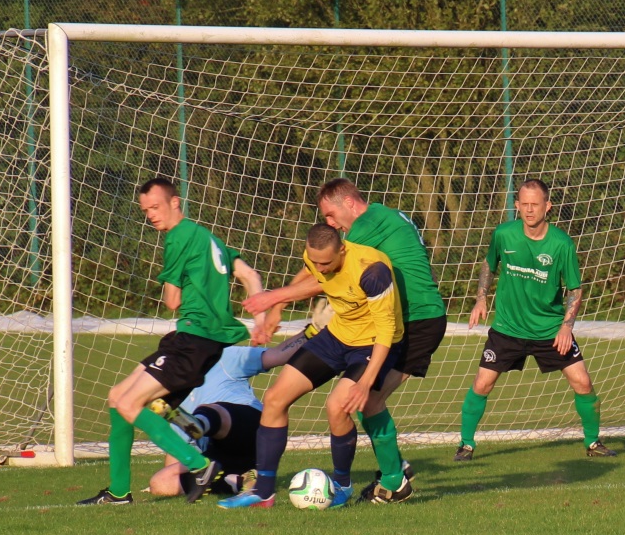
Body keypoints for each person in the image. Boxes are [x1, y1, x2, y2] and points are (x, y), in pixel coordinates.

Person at [244, 179, 444, 500]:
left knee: (366, 399)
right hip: (403, 318)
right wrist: (278, 302)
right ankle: (395, 471)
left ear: (350, 203)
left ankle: (394, 481)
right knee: (362, 401)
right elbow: (320, 268)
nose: (330, 223)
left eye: (331, 214)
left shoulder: (365, 227)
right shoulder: (381, 215)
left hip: (417, 320)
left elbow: (324, 275)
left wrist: (275, 300)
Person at [79, 177, 267, 506]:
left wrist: (172, 281)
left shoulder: (178, 236)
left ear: (175, 202)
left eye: (155, 207)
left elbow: (172, 301)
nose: (151, 215)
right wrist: (261, 323)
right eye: (145, 210)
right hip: (195, 341)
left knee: (130, 404)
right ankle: (119, 491)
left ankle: (200, 465)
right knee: (118, 397)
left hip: (195, 338)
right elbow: (251, 276)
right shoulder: (209, 238)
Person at [219, 223, 412, 508]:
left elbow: (387, 330)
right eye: (315, 262)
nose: (319, 267)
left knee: (337, 406)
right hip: (337, 335)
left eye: (326, 263)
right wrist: (276, 301)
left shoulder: (373, 271)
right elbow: (316, 281)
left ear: (342, 250)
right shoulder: (314, 258)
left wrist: (365, 382)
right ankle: (263, 492)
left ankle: (342, 486)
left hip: (374, 343)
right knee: (274, 399)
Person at [456, 178, 616, 461]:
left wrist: (566, 327)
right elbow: (489, 264)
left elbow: (575, 289)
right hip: (508, 328)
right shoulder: (504, 234)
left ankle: (593, 442)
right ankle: (466, 445)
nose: (529, 210)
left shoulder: (561, 244)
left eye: (535, 204)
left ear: (547, 206)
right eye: (524, 204)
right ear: (517, 205)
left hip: (549, 330)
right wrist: (481, 298)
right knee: (482, 384)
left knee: (582, 382)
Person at [147, 333, 308, 498]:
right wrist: (171, 474)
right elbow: (177, 459)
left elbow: (277, 355)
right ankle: (238, 481)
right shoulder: (173, 402)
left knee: (212, 410)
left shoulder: (223, 358)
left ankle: (200, 423)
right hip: (220, 456)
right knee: (160, 482)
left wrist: (310, 332)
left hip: (252, 433)